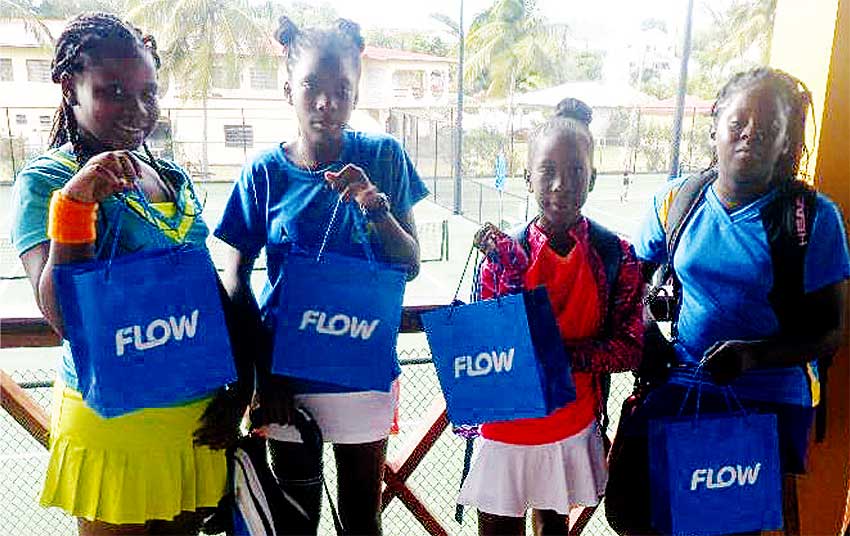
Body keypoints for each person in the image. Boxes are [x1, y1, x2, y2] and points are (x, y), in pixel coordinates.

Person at [9, 13, 247, 536]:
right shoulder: (47, 180)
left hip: (197, 424)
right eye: (113, 91)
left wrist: (239, 388)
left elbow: (206, 293)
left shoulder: (171, 175)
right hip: (117, 429)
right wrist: (75, 206)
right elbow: (64, 317)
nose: (137, 110)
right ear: (70, 87)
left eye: (148, 93)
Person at [215, 16, 428, 535]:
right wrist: (262, 375)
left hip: (360, 364)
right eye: (313, 87)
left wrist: (375, 207)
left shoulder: (383, 155)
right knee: (294, 523)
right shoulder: (264, 172)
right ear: (289, 88)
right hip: (287, 378)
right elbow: (234, 276)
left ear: (356, 94)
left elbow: (411, 262)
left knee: (360, 517)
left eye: (342, 91)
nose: (326, 102)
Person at [633, 67, 849, 533]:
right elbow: (633, 279)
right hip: (685, 381)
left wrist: (754, 356)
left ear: (785, 141)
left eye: (769, 128)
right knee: (640, 513)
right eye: (739, 122)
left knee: (730, 524)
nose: (750, 134)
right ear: (716, 125)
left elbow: (832, 330)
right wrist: (647, 328)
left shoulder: (812, 219)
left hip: (766, 397)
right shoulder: (678, 201)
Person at [457, 98, 643, 536]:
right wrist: (505, 267)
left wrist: (561, 356)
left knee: (553, 528)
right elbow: (487, 344)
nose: (561, 184)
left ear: (593, 178)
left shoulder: (616, 254)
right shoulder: (502, 255)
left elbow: (630, 348)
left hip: (570, 423)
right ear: (527, 177)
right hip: (505, 428)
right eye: (547, 170)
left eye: (576, 171)